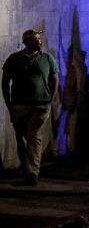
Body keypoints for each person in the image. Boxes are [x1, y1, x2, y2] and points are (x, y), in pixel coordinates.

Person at [2, 29, 59, 185]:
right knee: (21, 137)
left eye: (39, 39)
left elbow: (55, 79)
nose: (38, 41)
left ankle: (32, 173)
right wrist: (9, 104)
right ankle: (27, 169)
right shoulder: (14, 59)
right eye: (34, 39)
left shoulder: (48, 59)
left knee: (33, 136)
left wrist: (50, 100)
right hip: (19, 105)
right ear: (26, 41)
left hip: (40, 105)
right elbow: (5, 81)